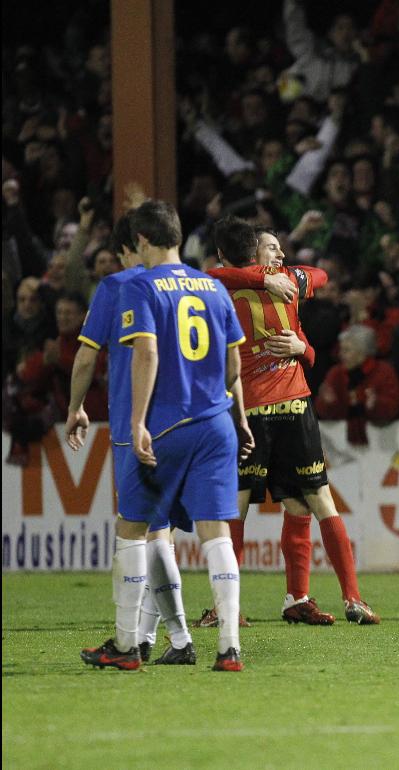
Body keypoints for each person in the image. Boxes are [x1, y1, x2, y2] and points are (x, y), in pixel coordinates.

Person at [79, 200, 253, 672]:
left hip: (168, 424)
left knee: (134, 530)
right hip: (217, 423)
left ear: (140, 242)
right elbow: (235, 362)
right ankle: (229, 648)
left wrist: (137, 423)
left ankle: (124, 645)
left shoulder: (141, 285)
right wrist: (239, 415)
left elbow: (147, 354)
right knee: (217, 532)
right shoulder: (213, 286)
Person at [206, 218, 379, 626]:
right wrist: (271, 279)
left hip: (281, 405)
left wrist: (303, 347)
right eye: (271, 249)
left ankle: (313, 598)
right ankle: (231, 606)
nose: (279, 256)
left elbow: (318, 276)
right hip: (263, 407)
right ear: (253, 253)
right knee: (258, 505)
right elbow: (313, 274)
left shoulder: (235, 285)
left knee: (303, 502)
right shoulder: (264, 282)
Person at [68, 210, 197, 665]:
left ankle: (137, 641)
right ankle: (162, 639)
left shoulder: (118, 287)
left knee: (136, 531)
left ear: (130, 247)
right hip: (187, 421)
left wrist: (75, 407)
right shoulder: (190, 283)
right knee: (158, 534)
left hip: (133, 424)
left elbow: (86, 358)